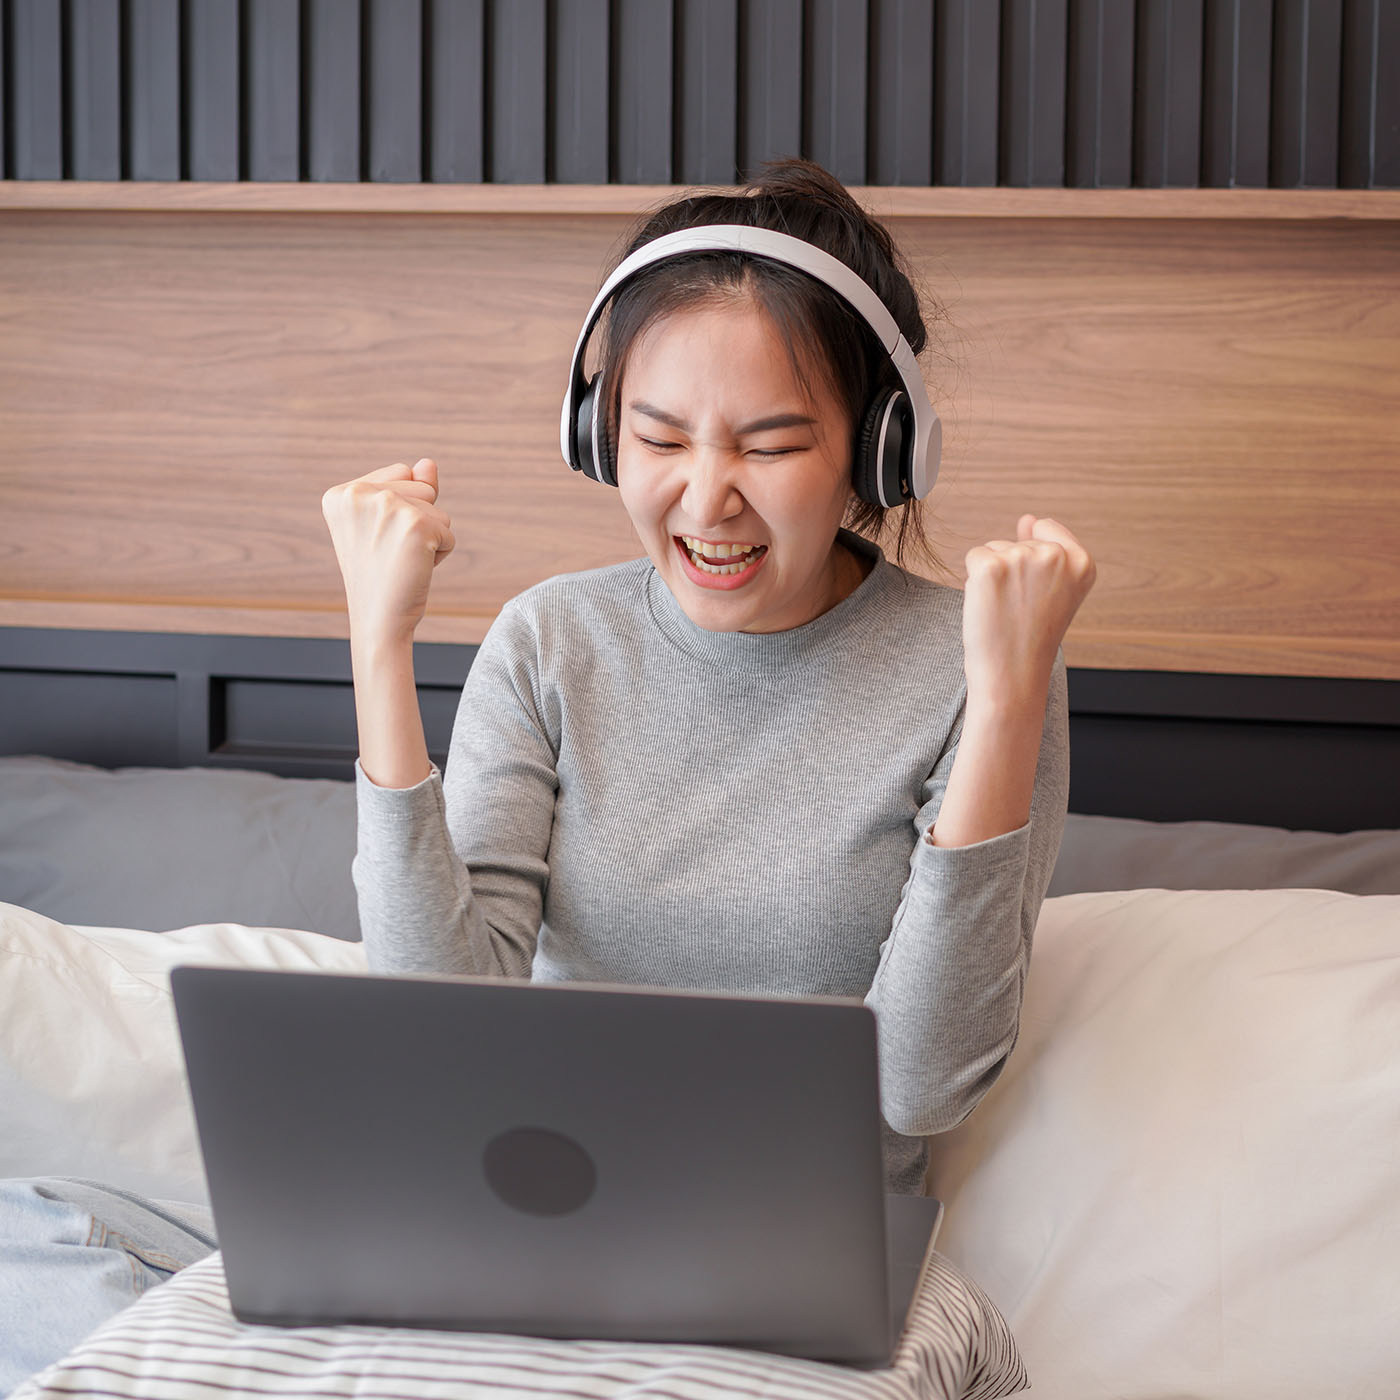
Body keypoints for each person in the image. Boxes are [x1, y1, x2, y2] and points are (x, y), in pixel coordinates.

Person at [0, 159, 1095, 1394]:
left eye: (771, 442)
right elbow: (436, 1013)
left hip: (787, 1283)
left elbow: (920, 1079)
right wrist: (378, 650)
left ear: (879, 449)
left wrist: (1003, 705)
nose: (705, 495)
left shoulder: (982, 666)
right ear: (596, 433)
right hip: (487, 1228)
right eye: (658, 436)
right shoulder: (551, 639)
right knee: (27, 1233)